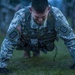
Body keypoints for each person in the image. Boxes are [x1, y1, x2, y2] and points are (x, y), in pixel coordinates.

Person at [0, 0, 75, 73]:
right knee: (15, 38)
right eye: (36, 17)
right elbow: (9, 40)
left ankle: (36, 51)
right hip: (26, 41)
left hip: (46, 42)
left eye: (43, 17)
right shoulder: (21, 15)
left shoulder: (56, 14)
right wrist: (1, 66)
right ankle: (27, 51)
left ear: (48, 9)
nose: (40, 20)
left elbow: (70, 38)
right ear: (30, 10)